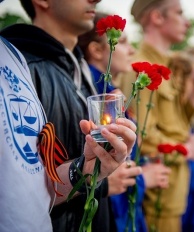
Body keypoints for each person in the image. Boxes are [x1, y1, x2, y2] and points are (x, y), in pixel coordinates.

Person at [0, 0, 135, 231]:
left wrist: (90, 170)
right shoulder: (23, 68)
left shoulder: (77, 68)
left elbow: (39, 180)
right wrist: (100, 185)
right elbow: (19, 191)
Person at [118, 0, 194, 231]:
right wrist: (187, 150)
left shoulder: (170, 66)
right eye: (179, 13)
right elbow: (140, 136)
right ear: (158, 17)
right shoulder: (139, 68)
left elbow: (178, 123)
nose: (186, 21)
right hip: (157, 192)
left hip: (175, 183)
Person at [78, 12, 171, 231]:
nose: (131, 50)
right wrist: (142, 179)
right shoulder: (96, 98)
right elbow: (105, 168)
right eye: (124, 42)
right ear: (98, 50)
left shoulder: (110, 92)